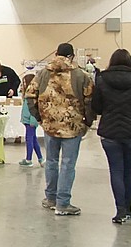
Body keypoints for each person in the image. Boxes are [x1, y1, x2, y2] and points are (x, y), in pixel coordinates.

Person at [25, 42, 93, 217]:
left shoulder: (42, 73)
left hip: (50, 126)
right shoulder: (81, 75)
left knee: (52, 162)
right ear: (72, 56)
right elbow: (90, 100)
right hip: (73, 126)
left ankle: (50, 198)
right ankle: (63, 203)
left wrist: (39, 117)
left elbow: (30, 95)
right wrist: (88, 121)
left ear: (56, 54)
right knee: (68, 164)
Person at [89, 49, 131, 224]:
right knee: (130, 170)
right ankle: (129, 208)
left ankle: (120, 211)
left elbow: (96, 105)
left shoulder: (102, 78)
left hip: (110, 131)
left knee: (116, 170)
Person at [18, 73, 43, 167]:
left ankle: (28, 159)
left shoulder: (32, 97)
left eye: (24, 82)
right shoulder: (26, 95)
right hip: (27, 121)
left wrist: (33, 121)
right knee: (34, 139)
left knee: (29, 140)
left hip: (30, 122)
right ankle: (40, 159)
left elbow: (34, 109)